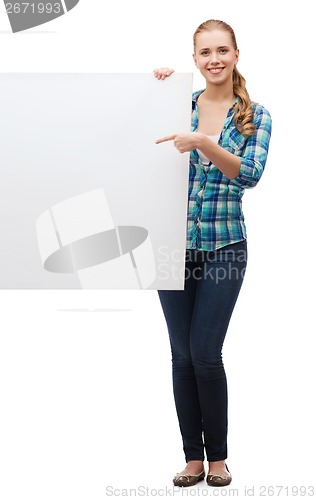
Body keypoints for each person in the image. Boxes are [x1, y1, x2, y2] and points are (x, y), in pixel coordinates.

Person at [153, 19, 272, 487]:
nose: (214, 59)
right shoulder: (175, 106)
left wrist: (205, 141)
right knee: (181, 356)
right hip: (169, 244)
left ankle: (218, 458)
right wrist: (151, 90)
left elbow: (250, 174)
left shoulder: (255, 115)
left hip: (224, 245)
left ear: (236, 55)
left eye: (222, 50)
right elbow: (128, 138)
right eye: (205, 52)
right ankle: (192, 460)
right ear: (195, 59)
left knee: (205, 352)